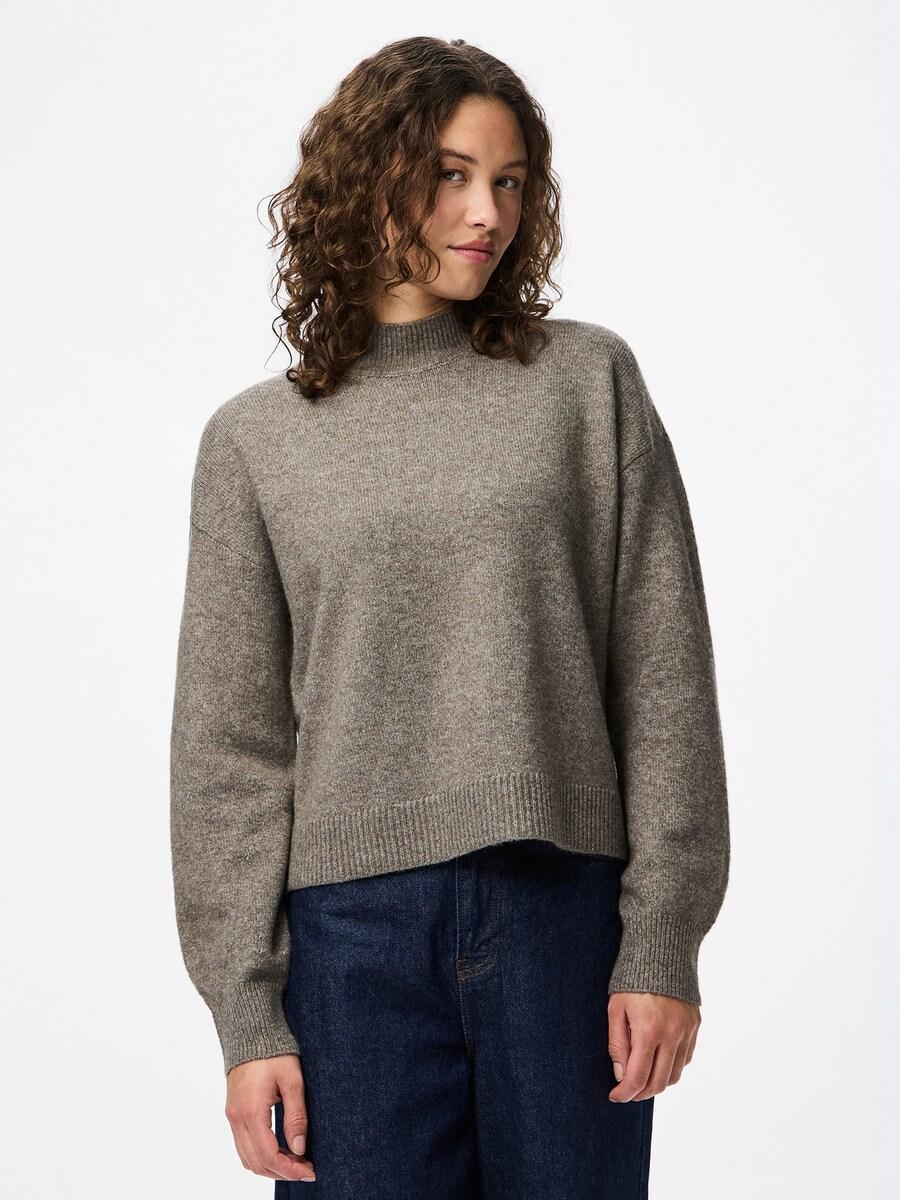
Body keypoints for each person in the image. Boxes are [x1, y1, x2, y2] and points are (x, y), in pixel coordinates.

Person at [169, 35, 730, 1198]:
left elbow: (662, 675)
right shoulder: (256, 443)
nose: (488, 213)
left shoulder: (586, 384)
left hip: (563, 923)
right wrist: (248, 1016)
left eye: (510, 181)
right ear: (367, 177)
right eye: (452, 174)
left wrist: (662, 936)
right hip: (350, 950)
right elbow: (230, 747)